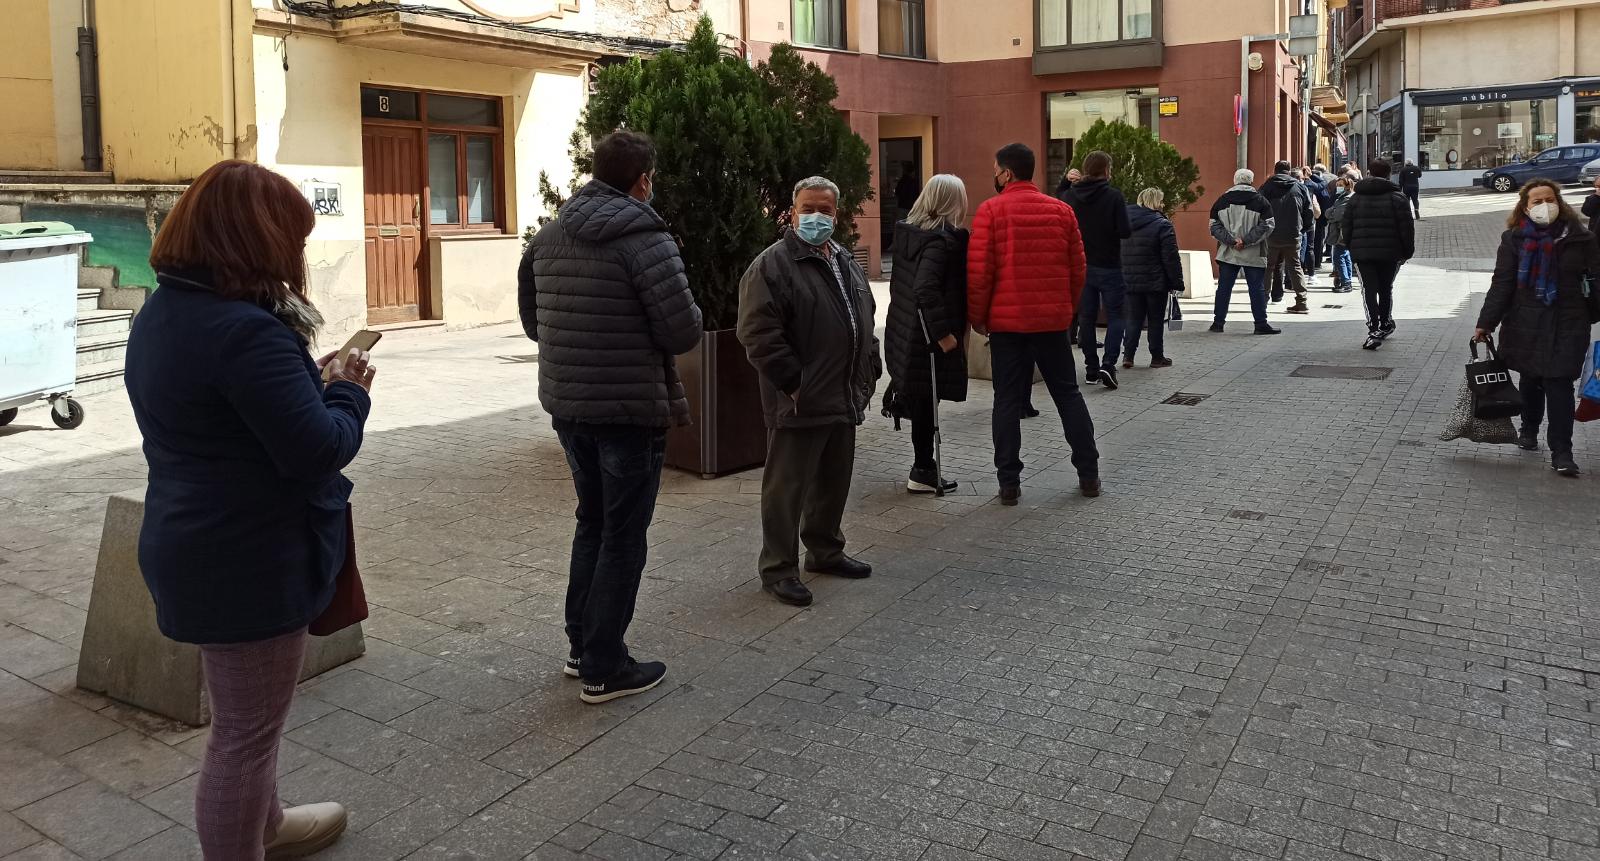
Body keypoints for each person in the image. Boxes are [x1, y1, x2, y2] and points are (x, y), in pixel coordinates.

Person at [123, 160, 374, 860]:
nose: (297, 254)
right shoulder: (245, 330)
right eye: (292, 237)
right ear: (257, 238)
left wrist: (303, 384)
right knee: (244, 733)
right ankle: (245, 835)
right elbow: (318, 448)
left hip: (196, 540)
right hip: (247, 558)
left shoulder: (167, 310)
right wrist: (347, 391)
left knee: (247, 718)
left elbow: (239, 419)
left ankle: (267, 824)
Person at [519, 130, 703, 703]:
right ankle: (604, 665)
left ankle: (581, 647)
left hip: (570, 407)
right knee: (623, 536)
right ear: (643, 179)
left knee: (592, 522)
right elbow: (681, 330)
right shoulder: (646, 240)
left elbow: (533, 321)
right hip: (628, 411)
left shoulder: (549, 235)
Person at [738, 176, 881, 607]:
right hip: (799, 400)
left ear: (838, 213)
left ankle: (825, 550)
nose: (816, 216)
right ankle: (779, 568)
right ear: (792, 210)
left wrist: (870, 369)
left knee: (833, 481)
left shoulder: (845, 261)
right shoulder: (773, 265)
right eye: (808, 208)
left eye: (825, 209)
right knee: (787, 489)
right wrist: (793, 383)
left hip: (842, 394)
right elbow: (757, 332)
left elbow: (864, 318)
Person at [969, 142, 1101, 505]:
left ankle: (1008, 482)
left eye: (996, 170)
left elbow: (980, 273)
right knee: (1068, 395)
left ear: (1006, 173)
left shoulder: (990, 211)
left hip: (1007, 327)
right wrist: (1065, 310)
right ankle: (1088, 473)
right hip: (1051, 323)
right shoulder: (1061, 211)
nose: (994, 176)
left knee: (1007, 401)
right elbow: (1078, 269)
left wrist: (979, 319)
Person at [1475, 180, 1600, 477]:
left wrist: (1592, 312)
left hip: (1569, 321)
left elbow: (1596, 278)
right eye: (1537, 201)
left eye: (1549, 198)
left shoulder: (1582, 238)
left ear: (1559, 200)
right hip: (1525, 320)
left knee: (1559, 383)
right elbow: (1502, 284)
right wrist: (1485, 322)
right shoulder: (1514, 240)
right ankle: (1529, 428)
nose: (1545, 205)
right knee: (1531, 378)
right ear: (1525, 207)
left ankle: (1562, 451)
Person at [885, 175, 970, 494]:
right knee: (925, 404)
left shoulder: (911, 234)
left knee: (921, 400)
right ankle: (923, 470)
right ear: (951, 202)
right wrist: (944, 335)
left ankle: (923, 467)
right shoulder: (937, 241)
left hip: (906, 330)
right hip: (925, 338)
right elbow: (925, 288)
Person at [1061, 151, 1133, 388]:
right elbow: (1124, 230)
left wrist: (1065, 181)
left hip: (1082, 266)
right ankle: (1108, 364)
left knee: (1086, 318)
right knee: (1115, 316)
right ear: (1106, 170)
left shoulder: (1071, 196)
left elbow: (1058, 205)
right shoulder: (1113, 197)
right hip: (1110, 265)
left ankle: (1091, 369)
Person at [1343, 158, 1415, 350]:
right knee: (1385, 288)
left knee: (1368, 289)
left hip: (1362, 253)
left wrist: (1352, 247)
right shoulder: (1397, 198)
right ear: (1388, 174)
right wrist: (1407, 252)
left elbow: (1346, 227)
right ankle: (1384, 322)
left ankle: (1373, 327)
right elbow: (1407, 228)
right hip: (1391, 253)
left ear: (1369, 173)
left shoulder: (1356, 198)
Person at [1208, 168, 1280, 335]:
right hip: (1253, 253)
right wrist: (1246, 240)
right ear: (1251, 180)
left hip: (1228, 252)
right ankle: (1260, 324)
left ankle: (1218, 323)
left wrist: (1231, 241)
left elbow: (1213, 226)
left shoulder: (1222, 200)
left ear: (1235, 180)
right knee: (1256, 289)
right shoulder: (1261, 201)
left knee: (1224, 288)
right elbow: (1268, 225)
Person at [1120, 187, 1184, 369]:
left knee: (1133, 319)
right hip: (1156, 282)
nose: (1163, 205)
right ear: (1155, 202)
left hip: (1130, 280)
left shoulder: (1124, 222)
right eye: (1161, 201)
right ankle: (1157, 357)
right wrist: (1177, 282)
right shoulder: (1162, 224)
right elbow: (1170, 257)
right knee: (1155, 320)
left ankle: (1128, 356)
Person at [1260, 160, 1312, 314]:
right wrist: (1304, 228)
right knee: (1295, 266)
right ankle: (1301, 301)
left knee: (1268, 267)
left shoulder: (1267, 186)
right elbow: (1308, 210)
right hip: (1293, 232)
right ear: (1289, 171)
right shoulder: (1300, 186)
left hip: (1271, 233)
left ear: (1275, 170)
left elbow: (1258, 207)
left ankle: (1262, 301)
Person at [1323, 175, 1358, 294]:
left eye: (1340, 185)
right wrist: (1331, 213)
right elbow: (1328, 212)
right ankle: (1347, 282)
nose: (1338, 188)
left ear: (1347, 186)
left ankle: (1346, 282)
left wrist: (1331, 214)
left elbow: (1335, 215)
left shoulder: (1348, 198)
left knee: (1339, 257)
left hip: (1342, 232)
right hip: (1339, 231)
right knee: (1345, 256)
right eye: (1337, 185)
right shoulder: (1341, 198)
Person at [1303, 165, 1333, 277]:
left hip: (1305, 218)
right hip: (1313, 218)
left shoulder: (1302, 184)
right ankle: (1313, 265)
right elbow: (1322, 184)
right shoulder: (1310, 184)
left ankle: (1306, 265)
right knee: (1311, 244)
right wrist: (1312, 175)